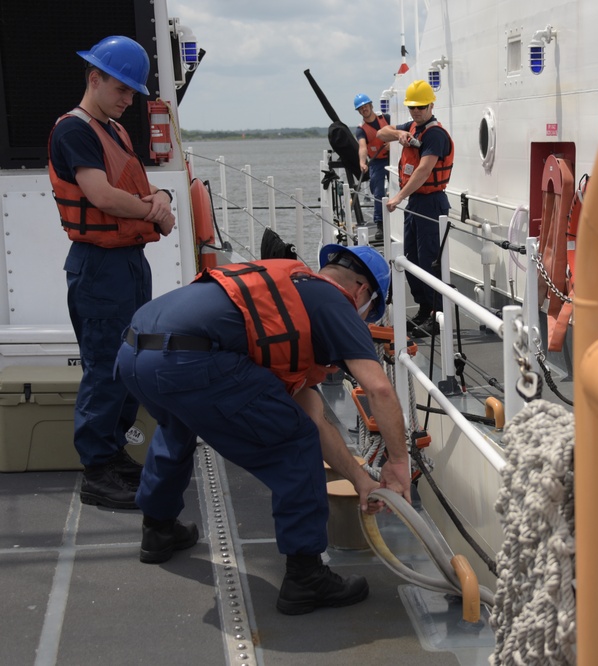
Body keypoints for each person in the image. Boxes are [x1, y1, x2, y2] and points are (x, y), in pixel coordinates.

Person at [115, 245, 413, 615]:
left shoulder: (288, 293)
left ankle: (158, 529)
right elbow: (379, 388)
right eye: (370, 310)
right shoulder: (337, 303)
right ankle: (306, 577)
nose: (364, 317)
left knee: (178, 421)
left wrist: (360, 480)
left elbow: (314, 417)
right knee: (295, 446)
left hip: (132, 354)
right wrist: (399, 462)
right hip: (187, 360)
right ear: (361, 291)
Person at [47, 35, 177, 509]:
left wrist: (161, 198)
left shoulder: (115, 131)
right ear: (94, 78)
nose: (127, 100)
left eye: (132, 92)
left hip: (126, 263)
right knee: (105, 366)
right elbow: (101, 196)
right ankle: (97, 471)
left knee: (127, 362)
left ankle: (114, 451)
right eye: (121, 89)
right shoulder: (75, 131)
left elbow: (134, 185)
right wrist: (155, 211)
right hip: (99, 267)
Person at [377, 79, 454, 334]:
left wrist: (398, 197)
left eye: (421, 106)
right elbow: (380, 133)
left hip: (432, 203)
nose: (416, 111)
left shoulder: (435, 134)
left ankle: (437, 314)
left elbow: (423, 171)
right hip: (415, 203)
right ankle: (423, 308)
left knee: (430, 260)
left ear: (431, 105)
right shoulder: (411, 127)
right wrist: (399, 134)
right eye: (412, 107)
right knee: (410, 257)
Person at [354, 93, 391, 232]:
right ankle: (380, 223)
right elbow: (362, 147)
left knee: (399, 186)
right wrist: (362, 162)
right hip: (376, 162)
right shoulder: (361, 129)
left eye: (365, 106)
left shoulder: (386, 118)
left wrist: (392, 144)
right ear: (359, 111)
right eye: (361, 108)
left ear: (371, 105)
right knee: (378, 191)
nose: (364, 109)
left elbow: (399, 132)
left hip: (393, 159)